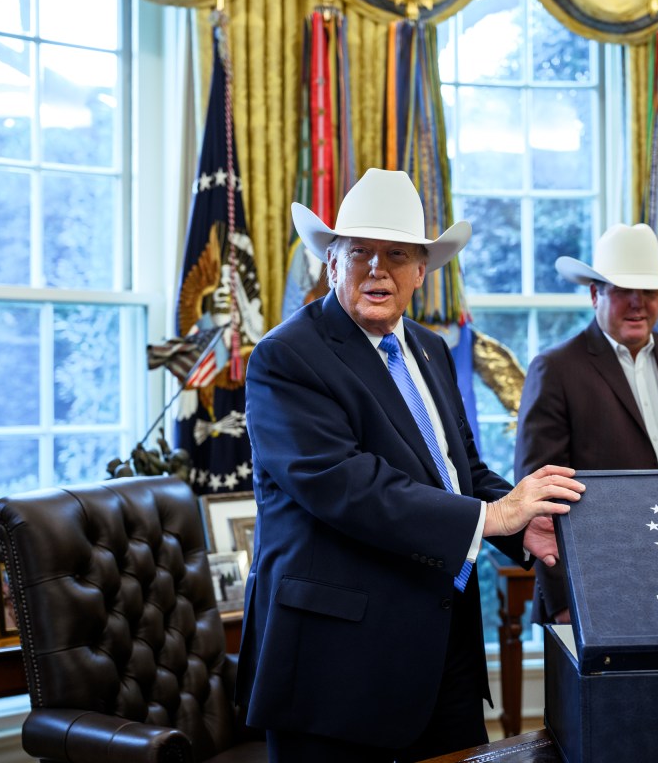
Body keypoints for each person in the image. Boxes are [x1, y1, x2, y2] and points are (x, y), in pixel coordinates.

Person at [235, 168, 584, 762]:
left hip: (441, 646)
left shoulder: (430, 348)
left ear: (422, 271)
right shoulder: (286, 357)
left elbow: (460, 469)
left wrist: (523, 524)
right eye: (360, 253)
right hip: (336, 664)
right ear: (331, 264)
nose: (378, 269)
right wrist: (494, 516)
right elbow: (346, 486)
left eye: (396, 255)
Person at [514, 222, 658, 623]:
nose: (638, 303)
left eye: (649, 292)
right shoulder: (557, 369)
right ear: (594, 294)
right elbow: (541, 495)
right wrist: (565, 600)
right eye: (623, 291)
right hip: (600, 586)